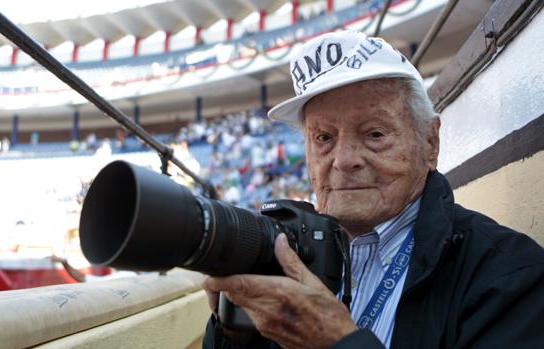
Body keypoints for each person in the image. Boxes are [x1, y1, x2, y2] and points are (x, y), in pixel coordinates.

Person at [201, 31, 544, 348]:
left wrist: (335, 342)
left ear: (430, 143)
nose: (343, 160)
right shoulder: (290, 251)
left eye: (375, 134)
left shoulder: (509, 275)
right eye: (324, 138)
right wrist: (232, 335)